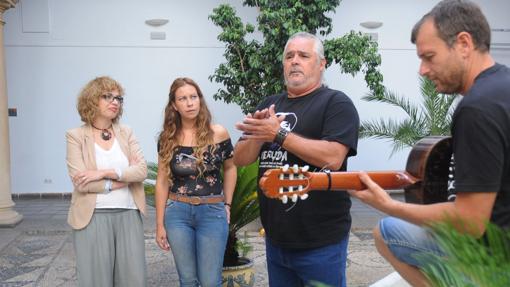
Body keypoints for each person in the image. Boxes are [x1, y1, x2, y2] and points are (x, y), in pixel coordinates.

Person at [348, 1, 510, 286]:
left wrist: (389, 205)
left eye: (429, 57)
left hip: (494, 261)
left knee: (384, 232)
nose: (422, 70)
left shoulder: (477, 108)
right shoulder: (503, 85)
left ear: (463, 43)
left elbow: (470, 221)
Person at [234, 32, 359, 287]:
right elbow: (241, 158)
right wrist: (259, 135)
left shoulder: (336, 103)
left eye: (303, 55)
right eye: (289, 56)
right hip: (276, 241)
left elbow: (333, 158)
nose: (295, 61)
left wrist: (277, 134)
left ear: (321, 63)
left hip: (321, 242)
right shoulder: (270, 104)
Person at [65, 76, 148, 286]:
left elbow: (141, 171)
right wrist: (117, 181)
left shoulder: (126, 132)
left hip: (129, 212)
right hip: (92, 216)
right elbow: (81, 182)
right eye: (107, 96)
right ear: (92, 100)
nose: (115, 102)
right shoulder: (75, 136)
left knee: (133, 280)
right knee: (95, 280)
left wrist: (103, 173)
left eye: (118, 98)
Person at [154, 77, 236, 287]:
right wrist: (159, 225)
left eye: (194, 97)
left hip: (212, 212)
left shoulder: (218, 133)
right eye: (183, 98)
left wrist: (227, 204)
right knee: (188, 280)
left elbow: (230, 168)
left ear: (200, 100)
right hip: (177, 214)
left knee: (210, 282)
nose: (190, 103)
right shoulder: (167, 138)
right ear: (174, 105)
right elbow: (162, 181)